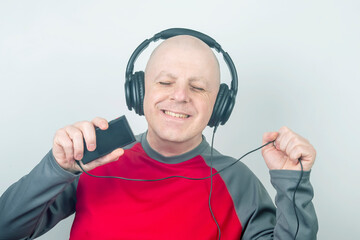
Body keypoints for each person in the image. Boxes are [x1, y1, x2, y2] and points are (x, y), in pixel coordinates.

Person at [0, 32, 318, 239]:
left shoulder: (239, 182)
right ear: (139, 92)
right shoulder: (93, 158)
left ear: (219, 105)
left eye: (197, 87)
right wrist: (57, 168)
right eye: (165, 82)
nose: (179, 96)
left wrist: (293, 184)